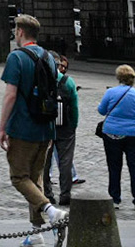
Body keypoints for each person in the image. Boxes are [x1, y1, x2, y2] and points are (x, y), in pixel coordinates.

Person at [0, 13, 67, 232]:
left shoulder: (16, 58)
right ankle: (37, 232)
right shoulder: (48, 57)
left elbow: (10, 95)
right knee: (35, 179)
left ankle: (50, 210)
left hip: (23, 128)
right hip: (46, 127)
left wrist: (2, 127)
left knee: (19, 177)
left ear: (20, 32)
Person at [98, 64, 135, 207]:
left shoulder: (111, 93)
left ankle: (115, 198)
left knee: (114, 166)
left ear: (118, 78)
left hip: (113, 132)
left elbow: (101, 110)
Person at [45, 52, 83, 205]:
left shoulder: (41, 81)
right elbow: (74, 107)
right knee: (65, 161)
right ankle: (65, 194)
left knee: (45, 162)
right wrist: (73, 125)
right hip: (65, 126)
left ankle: (47, 193)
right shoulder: (68, 82)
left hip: (46, 126)